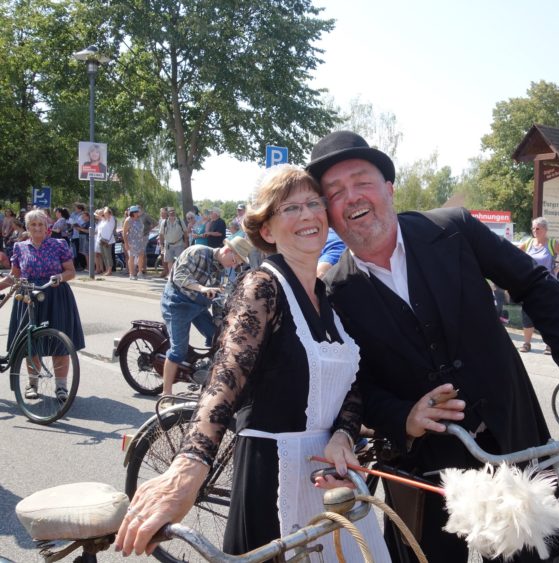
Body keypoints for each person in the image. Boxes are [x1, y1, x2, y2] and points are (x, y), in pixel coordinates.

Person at [306, 131, 559, 563]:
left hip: (512, 438)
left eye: (362, 182)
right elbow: (354, 387)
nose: (351, 197)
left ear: (389, 190)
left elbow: (534, 284)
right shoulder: (332, 292)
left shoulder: (452, 229)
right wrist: (404, 417)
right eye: (335, 192)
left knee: (533, 557)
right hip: (421, 467)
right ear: (328, 212)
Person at [115, 165, 390, 562]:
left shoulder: (329, 297)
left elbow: (351, 385)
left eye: (314, 203)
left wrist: (343, 436)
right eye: (290, 208)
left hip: (330, 480)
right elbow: (225, 377)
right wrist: (190, 466)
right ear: (266, 230)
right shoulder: (262, 286)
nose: (308, 214)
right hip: (272, 478)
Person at [0, 209, 85, 401]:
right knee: (31, 343)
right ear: (28, 228)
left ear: (47, 227)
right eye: (33, 225)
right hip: (28, 296)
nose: (37, 228)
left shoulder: (59, 244)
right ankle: (32, 384)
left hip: (56, 295)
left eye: (41, 224)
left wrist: (60, 277)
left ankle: (61, 387)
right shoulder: (20, 247)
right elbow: (14, 276)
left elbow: (71, 271)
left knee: (60, 343)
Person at [158, 235, 252, 397]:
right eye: (235, 260)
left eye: (239, 263)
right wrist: (201, 288)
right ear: (228, 250)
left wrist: (222, 322)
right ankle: (166, 393)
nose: (234, 265)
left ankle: (205, 374)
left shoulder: (222, 270)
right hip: (177, 303)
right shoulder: (197, 252)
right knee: (178, 351)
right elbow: (179, 276)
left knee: (217, 336)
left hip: (198, 306)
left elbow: (218, 300)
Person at [517, 217, 559, 354]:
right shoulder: (529, 242)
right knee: (527, 313)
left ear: (545, 230)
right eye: (533, 228)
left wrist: (558, 268)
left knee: (548, 315)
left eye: (538, 228)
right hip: (530, 284)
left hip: (547, 284)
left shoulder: (552, 243)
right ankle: (526, 343)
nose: (534, 231)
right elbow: (515, 255)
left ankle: (550, 344)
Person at [158, 207, 188, 278]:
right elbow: (161, 234)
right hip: (168, 244)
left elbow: (185, 232)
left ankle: (179, 274)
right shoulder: (164, 222)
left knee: (180, 260)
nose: (172, 213)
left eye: (173, 212)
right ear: (168, 213)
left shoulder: (180, 221)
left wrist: (186, 243)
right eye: (170, 212)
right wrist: (161, 245)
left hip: (179, 243)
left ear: (175, 212)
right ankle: (170, 275)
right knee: (169, 261)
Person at [124, 206, 148, 280]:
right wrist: (126, 243)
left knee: (141, 255)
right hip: (132, 241)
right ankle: (131, 274)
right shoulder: (128, 220)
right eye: (137, 211)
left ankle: (140, 272)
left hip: (140, 241)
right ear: (133, 213)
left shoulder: (140, 219)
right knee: (132, 257)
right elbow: (124, 233)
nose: (138, 213)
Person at [95, 207, 116, 276]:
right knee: (104, 256)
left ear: (109, 213)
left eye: (105, 213)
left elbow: (107, 210)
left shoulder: (111, 219)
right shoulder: (104, 221)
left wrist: (105, 209)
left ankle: (109, 270)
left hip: (107, 241)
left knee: (108, 256)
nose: (104, 214)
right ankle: (107, 269)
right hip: (101, 240)